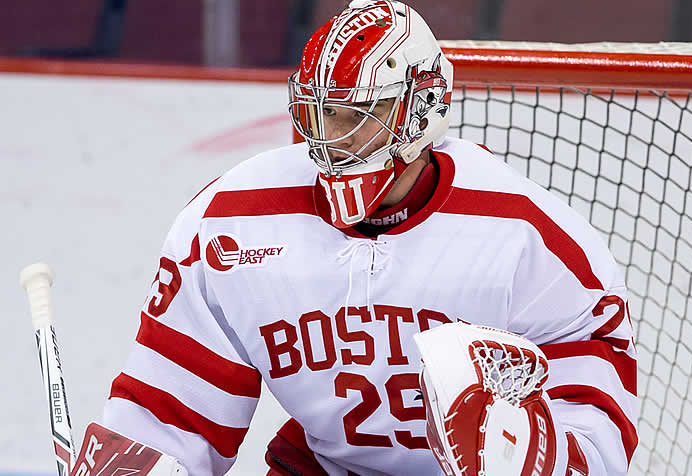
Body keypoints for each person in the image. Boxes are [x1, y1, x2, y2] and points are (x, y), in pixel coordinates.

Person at [102, 1, 638, 475]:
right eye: (326, 113)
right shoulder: (232, 221)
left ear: (419, 112)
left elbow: (592, 376)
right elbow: (170, 408)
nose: (332, 139)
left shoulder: (525, 232)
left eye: (360, 115)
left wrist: (550, 456)